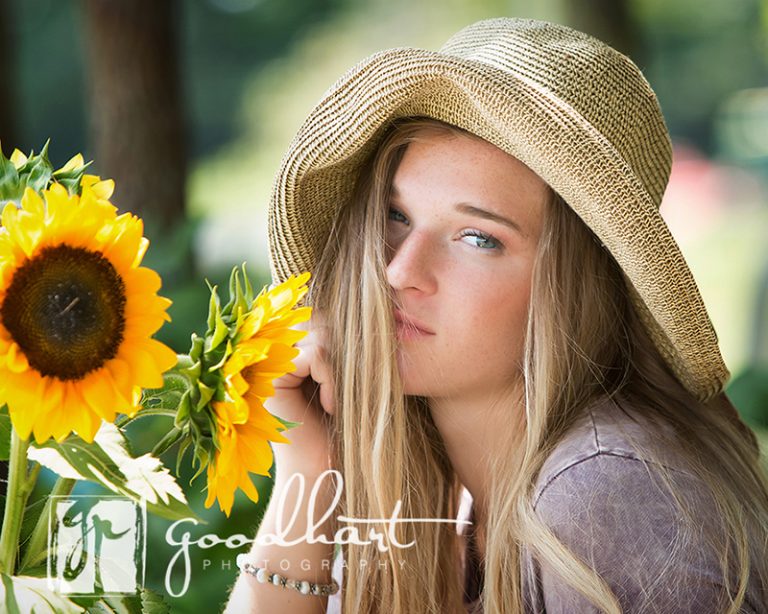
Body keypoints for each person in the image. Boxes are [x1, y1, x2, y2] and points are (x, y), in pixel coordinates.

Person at [225, 17, 768, 614]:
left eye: (478, 238)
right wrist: (309, 463)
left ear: (573, 290)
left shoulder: (603, 494)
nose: (399, 271)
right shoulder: (442, 507)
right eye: (396, 217)